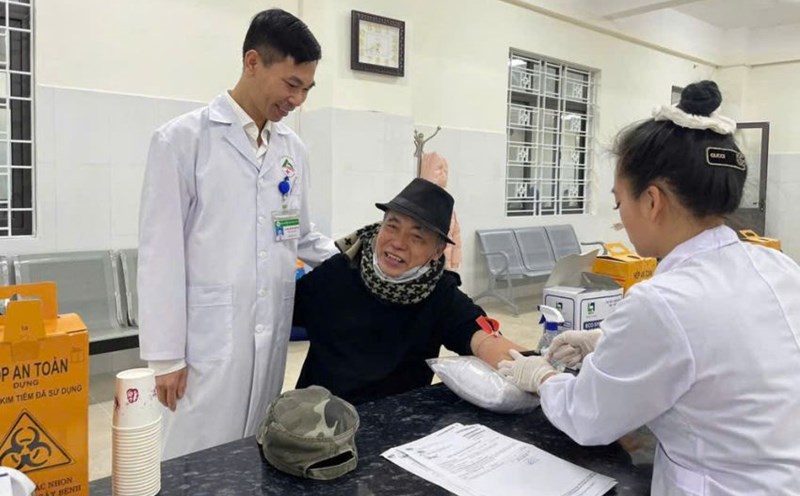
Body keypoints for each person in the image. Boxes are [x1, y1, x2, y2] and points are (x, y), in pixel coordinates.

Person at [499, 81, 800, 495]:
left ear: (652, 201)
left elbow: (589, 417)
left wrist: (544, 377)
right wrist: (607, 341)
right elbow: (728, 349)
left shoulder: (663, 300)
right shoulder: (776, 264)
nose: (620, 216)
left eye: (620, 201)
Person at [137, 9, 337, 460]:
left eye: (306, 88)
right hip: (205, 341)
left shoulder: (292, 150)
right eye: (291, 84)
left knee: (252, 450)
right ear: (252, 62)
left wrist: (356, 253)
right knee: (191, 455)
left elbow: (301, 235)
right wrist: (165, 358)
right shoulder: (182, 141)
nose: (298, 99)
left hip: (268, 339)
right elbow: (159, 253)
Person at [292, 178, 524, 405]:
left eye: (417, 237)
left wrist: (536, 371)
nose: (398, 243)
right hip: (317, 420)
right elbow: (281, 314)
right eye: (392, 226)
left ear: (437, 251)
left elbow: (482, 337)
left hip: (393, 424)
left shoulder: (440, 293)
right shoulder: (340, 272)